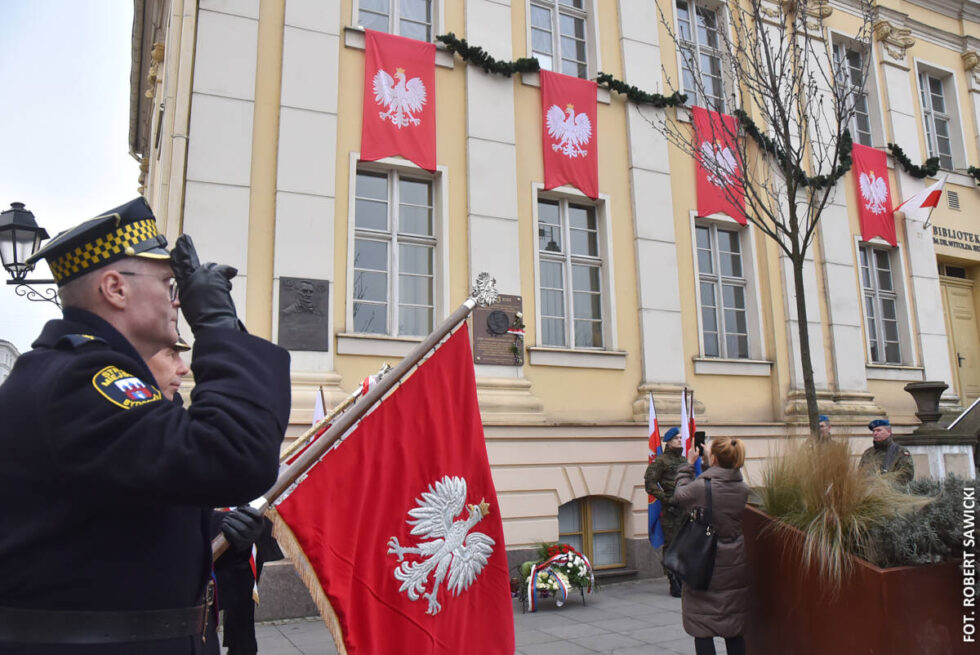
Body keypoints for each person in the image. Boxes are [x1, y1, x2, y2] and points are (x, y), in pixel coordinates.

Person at [0, 197, 291, 654]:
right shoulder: (82, 381)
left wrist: (220, 530)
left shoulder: (83, 377)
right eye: (169, 282)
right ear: (115, 288)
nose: (179, 298)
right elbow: (232, 456)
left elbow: (130, 512)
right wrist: (217, 326)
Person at [148, 337, 279, 655]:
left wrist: (234, 532)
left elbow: (184, 517)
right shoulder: (134, 427)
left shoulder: (177, 421)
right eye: (170, 355)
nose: (184, 367)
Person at [674, 438, 750, 655]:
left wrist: (688, 465)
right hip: (734, 558)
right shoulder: (742, 488)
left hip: (705, 557)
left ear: (714, 458)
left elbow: (680, 494)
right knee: (733, 626)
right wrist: (711, 462)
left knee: (703, 626)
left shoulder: (701, 486)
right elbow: (717, 485)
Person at [644, 426, 687, 597]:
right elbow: (650, 484)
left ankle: (684, 577)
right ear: (668, 441)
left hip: (686, 508)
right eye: (676, 438)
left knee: (685, 546)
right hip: (671, 510)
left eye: (680, 437)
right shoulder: (661, 461)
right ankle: (673, 580)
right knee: (672, 546)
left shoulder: (684, 460)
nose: (679, 440)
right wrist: (667, 498)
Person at [859, 418, 914, 485]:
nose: (875, 433)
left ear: (889, 432)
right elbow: (860, 472)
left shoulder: (900, 451)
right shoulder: (868, 452)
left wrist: (886, 483)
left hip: (891, 492)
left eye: (879, 430)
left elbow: (907, 474)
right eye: (873, 431)